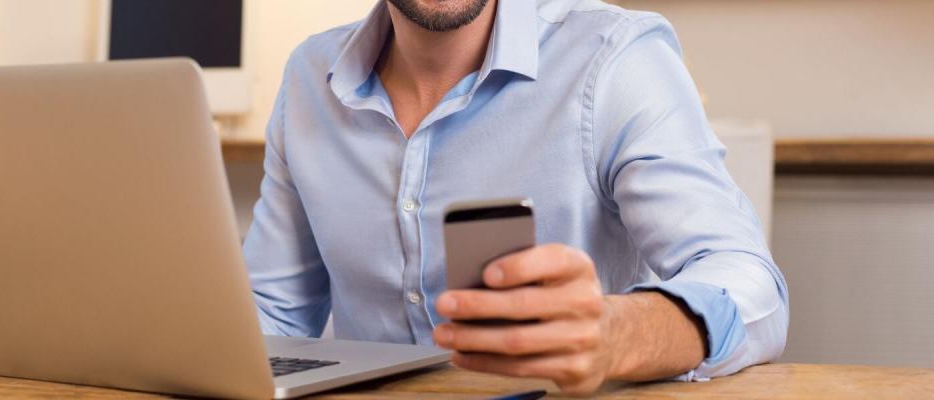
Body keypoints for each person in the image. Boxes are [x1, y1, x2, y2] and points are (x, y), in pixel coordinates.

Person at [242, 0, 788, 394]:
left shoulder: (614, 57)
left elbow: (750, 288)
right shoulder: (309, 76)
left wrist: (615, 333)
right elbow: (273, 316)